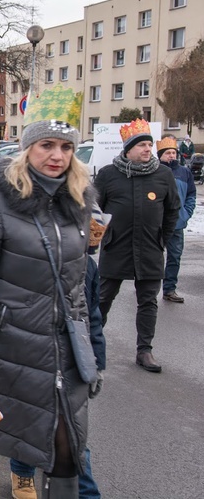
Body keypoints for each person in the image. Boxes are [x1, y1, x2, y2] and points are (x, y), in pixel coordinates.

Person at [0, 91, 96, 496]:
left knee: (67, 448)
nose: (57, 155)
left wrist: (90, 347)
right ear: (27, 148)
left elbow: (77, 285)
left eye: (66, 146)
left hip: (62, 352)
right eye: (47, 145)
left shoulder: (78, 201)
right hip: (6, 348)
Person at [8, 207, 109, 499]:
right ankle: (23, 473)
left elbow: (92, 319)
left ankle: (87, 493)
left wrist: (97, 363)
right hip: (32, 353)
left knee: (73, 432)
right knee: (30, 420)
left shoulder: (88, 267)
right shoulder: (30, 259)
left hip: (71, 359)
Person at [95, 119, 180, 373]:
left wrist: (161, 239)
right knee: (102, 299)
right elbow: (94, 211)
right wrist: (100, 239)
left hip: (150, 250)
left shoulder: (163, 175)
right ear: (128, 149)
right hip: (116, 249)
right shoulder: (108, 174)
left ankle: (145, 351)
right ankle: (89, 344)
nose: (147, 149)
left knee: (148, 302)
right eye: (142, 145)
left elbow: (172, 211)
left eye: (149, 144)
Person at [157, 136, 196, 304]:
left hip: (177, 223)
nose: (171, 156)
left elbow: (191, 194)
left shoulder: (184, 172)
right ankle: (145, 287)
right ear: (160, 155)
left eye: (173, 152)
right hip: (155, 223)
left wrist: (186, 213)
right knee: (151, 257)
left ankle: (169, 289)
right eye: (167, 153)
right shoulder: (154, 171)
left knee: (174, 256)